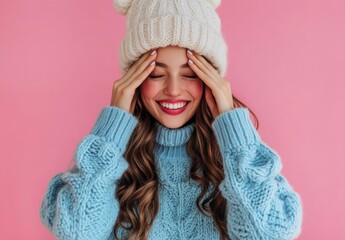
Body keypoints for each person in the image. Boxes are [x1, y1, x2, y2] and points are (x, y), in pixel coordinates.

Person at [39, 0, 303, 239]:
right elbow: (76, 232)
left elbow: (269, 234)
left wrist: (234, 128)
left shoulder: (236, 160)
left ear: (211, 81)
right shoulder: (111, 158)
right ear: (135, 79)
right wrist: (112, 127)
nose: (173, 89)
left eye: (190, 74)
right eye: (155, 74)